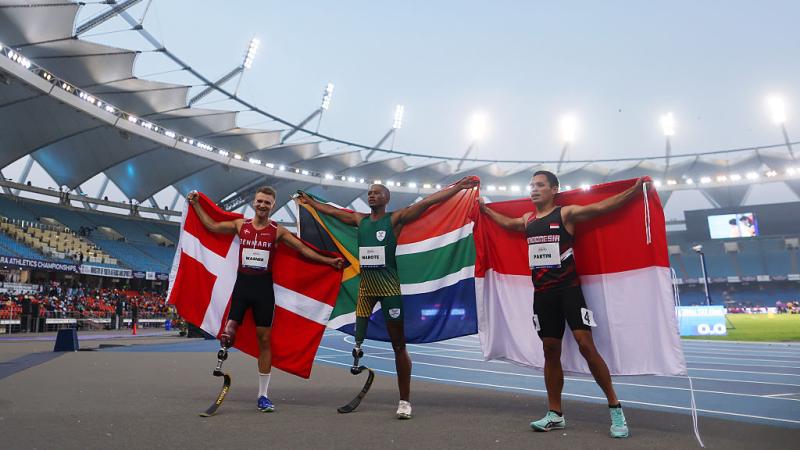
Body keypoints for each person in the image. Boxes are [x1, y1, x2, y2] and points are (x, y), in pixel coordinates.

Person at [478, 170, 647, 439]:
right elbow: (508, 225)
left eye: (540, 185)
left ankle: (615, 407)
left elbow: (602, 207)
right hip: (543, 295)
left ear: (554, 189)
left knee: (586, 346)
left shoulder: (566, 214)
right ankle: (555, 414)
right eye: (531, 185)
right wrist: (484, 210)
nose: (533, 189)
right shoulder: (528, 219)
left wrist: (634, 191)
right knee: (550, 349)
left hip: (569, 292)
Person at [298, 176, 479, 419]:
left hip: (389, 289)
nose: (371, 195)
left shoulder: (394, 219)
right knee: (357, 338)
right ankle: (358, 354)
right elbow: (330, 211)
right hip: (366, 289)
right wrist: (309, 203)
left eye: (377, 192)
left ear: (387, 198)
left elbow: (426, 204)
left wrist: (457, 188)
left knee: (398, 344)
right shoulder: (358, 219)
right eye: (370, 192)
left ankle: (404, 401)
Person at [188, 186, 344, 413]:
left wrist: (328, 262)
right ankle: (224, 349)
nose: (262, 205)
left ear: (272, 206)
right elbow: (211, 226)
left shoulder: (277, 231)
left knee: (264, 342)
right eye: (259, 201)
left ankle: (263, 395)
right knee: (229, 331)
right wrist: (196, 205)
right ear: (254, 202)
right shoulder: (241, 225)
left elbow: (301, 249)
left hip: (263, 292)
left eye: (267, 202)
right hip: (242, 288)